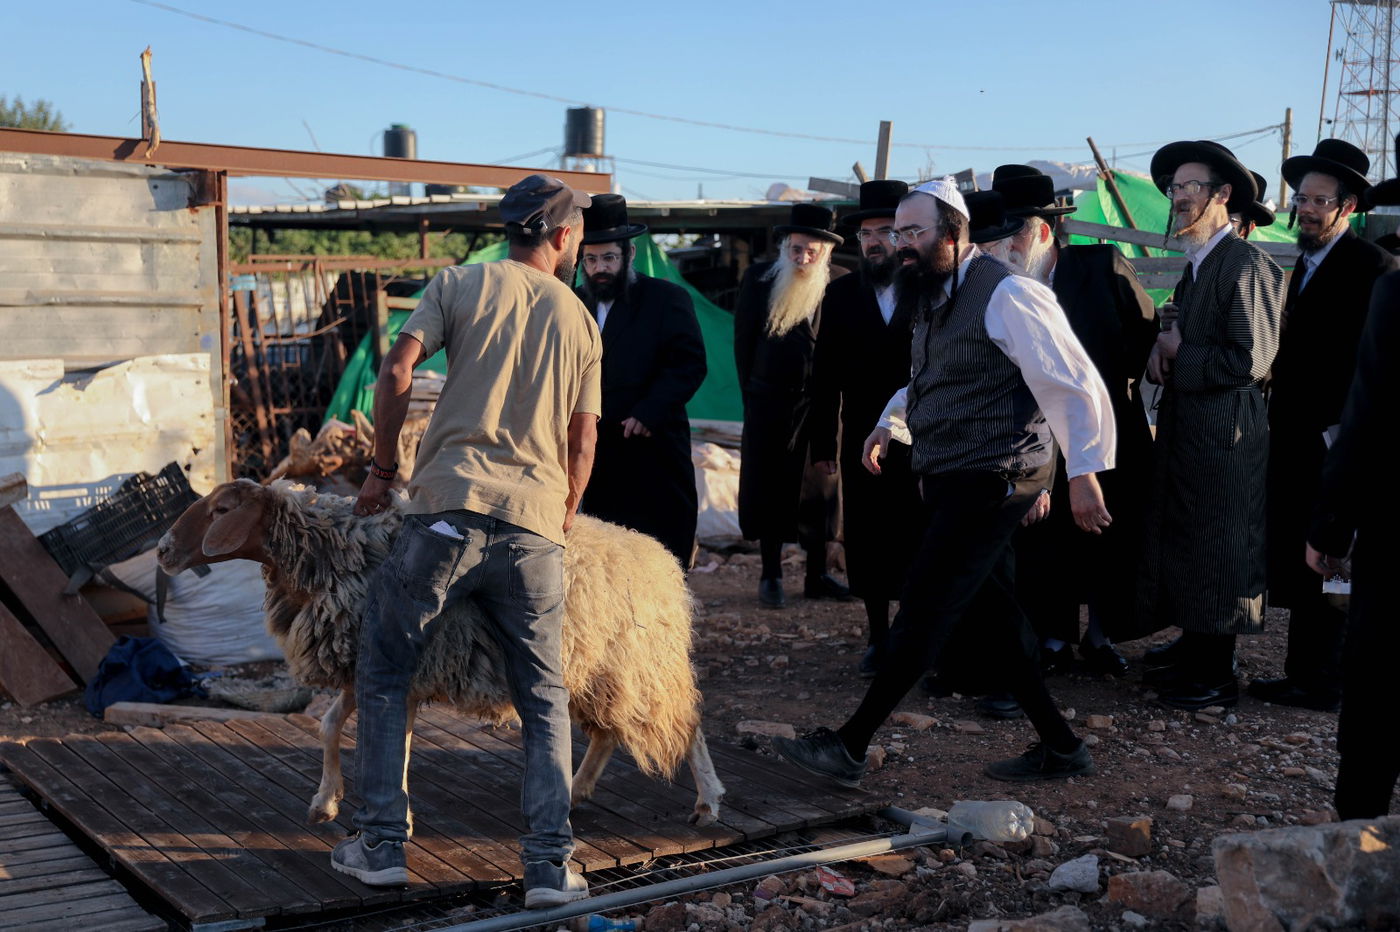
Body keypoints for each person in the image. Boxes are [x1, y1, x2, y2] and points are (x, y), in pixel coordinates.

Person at [773, 178, 1116, 785]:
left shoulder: (1009, 293)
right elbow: (934, 376)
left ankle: (850, 745)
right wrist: (890, 423)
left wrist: (1084, 473)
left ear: (953, 234)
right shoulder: (934, 295)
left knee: (925, 605)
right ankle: (1062, 747)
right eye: (898, 232)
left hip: (996, 477)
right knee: (996, 615)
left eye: (914, 232)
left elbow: (1071, 382)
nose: (901, 244)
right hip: (955, 474)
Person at [337, 174, 600, 909]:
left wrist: (381, 470)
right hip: (534, 528)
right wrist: (564, 506)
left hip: (446, 514)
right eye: (578, 234)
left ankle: (380, 847)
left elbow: (397, 368)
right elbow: (583, 436)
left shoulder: (457, 283)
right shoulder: (581, 319)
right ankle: (548, 868)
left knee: (385, 670)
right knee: (543, 697)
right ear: (562, 236)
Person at [991, 165, 1158, 679]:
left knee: (1108, 532)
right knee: (1045, 538)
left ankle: (1101, 635)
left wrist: (1103, 391)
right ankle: (1054, 635)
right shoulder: (999, 284)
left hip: (1108, 428)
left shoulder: (1101, 265)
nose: (1006, 244)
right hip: (1034, 434)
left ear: (1044, 230)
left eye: (1015, 232)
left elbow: (1143, 330)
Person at [1137, 141, 1285, 711]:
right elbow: (1190, 338)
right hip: (1193, 429)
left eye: (1190, 187)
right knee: (1192, 541)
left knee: (1222, 547)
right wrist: (1164, 346)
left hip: (1228, 435)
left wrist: (1182, 352)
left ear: (1223, 195)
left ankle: (1215, 674)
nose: (1178, 197)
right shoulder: (1199, 265)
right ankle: (1195, 649)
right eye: (1174, 187)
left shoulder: (1247, 264)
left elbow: (1252, 361)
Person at [1252, 140, 1397, 712]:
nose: (1305, 210)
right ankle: (1303, 672)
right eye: (1301, 199)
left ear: (1348, 207)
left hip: (1338, 438)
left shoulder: (1372, 267)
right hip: (1295, 435)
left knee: (1334, 557)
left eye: (1319, 201)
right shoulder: (1305, 263)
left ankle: (1327, 681)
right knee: (1304, 552)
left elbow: (1369, 364)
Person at [1306, 145, 1400, 817]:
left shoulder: (1394, 289)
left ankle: (1357, 836)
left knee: (1380, 686)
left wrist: (1331, 526)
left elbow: (1369, 417)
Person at [809, 180, 921, 674]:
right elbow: (824, 375)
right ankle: (878, 634)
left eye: (886, 232)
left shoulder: (930, 287)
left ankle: (914, 632)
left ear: (905, 236)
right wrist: (822, 444)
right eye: (866, 234)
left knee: (917, 531)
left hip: (924, 432)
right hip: (861, 435)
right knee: (870, 533)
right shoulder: (839, 295)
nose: (875, 242)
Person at [575, 194, 707, 569]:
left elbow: (688, 363)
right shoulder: (574, 302)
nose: (600, 268)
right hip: (600, 449)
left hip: (654, 444)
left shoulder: (666, 298)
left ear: (629, 254)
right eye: (591, 259)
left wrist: (649, 411)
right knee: (607, 552)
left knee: (662, 550)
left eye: (609, 258)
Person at [734, 203, 850, 608]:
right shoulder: (759, 279)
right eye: (795, 249)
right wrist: (753, 399)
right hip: (769, 404)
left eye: (810, 252)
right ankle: (771, 574)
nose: (801, 258)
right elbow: (744, 346)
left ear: (826, 253)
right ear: (785, 247)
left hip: (822, 407)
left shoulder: (841, 284)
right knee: (768, 488)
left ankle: (817, 575)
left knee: (821, 490)